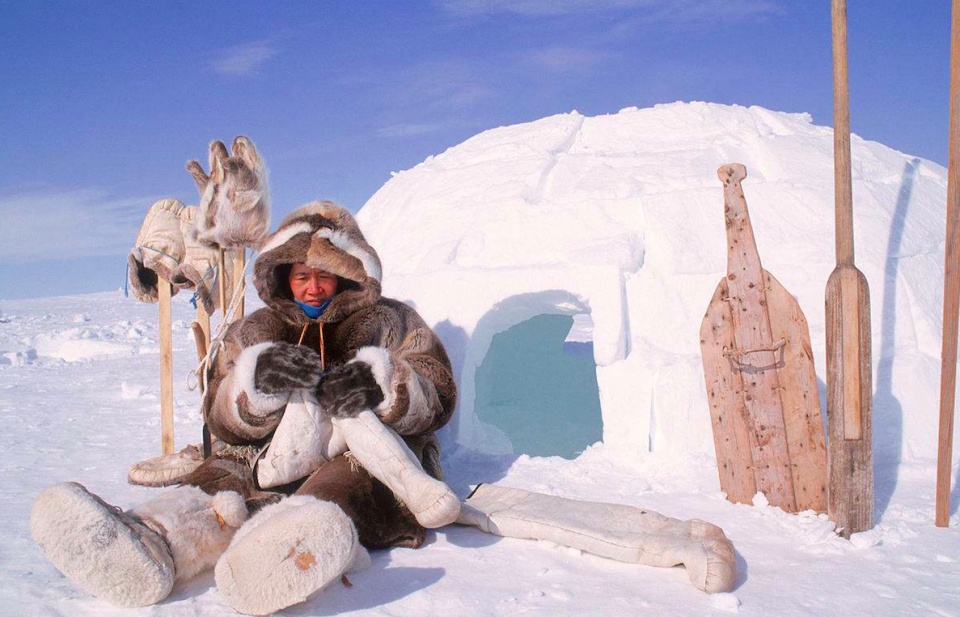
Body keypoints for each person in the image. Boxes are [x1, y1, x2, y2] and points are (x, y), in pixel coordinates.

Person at [31, 201, 460, 615]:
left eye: (325, 275)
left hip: (361, 452)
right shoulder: (257, 330)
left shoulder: (393, 321)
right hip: (268, 450)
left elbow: (438, 391)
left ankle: (280, 559)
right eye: (302, 275)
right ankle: (146, 541)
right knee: (221, 481)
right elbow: (218, 412)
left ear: (350, 273)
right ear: (283, 276)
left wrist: (381, 384)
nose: (313, 287)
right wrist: (256, 388)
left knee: (337, 492)